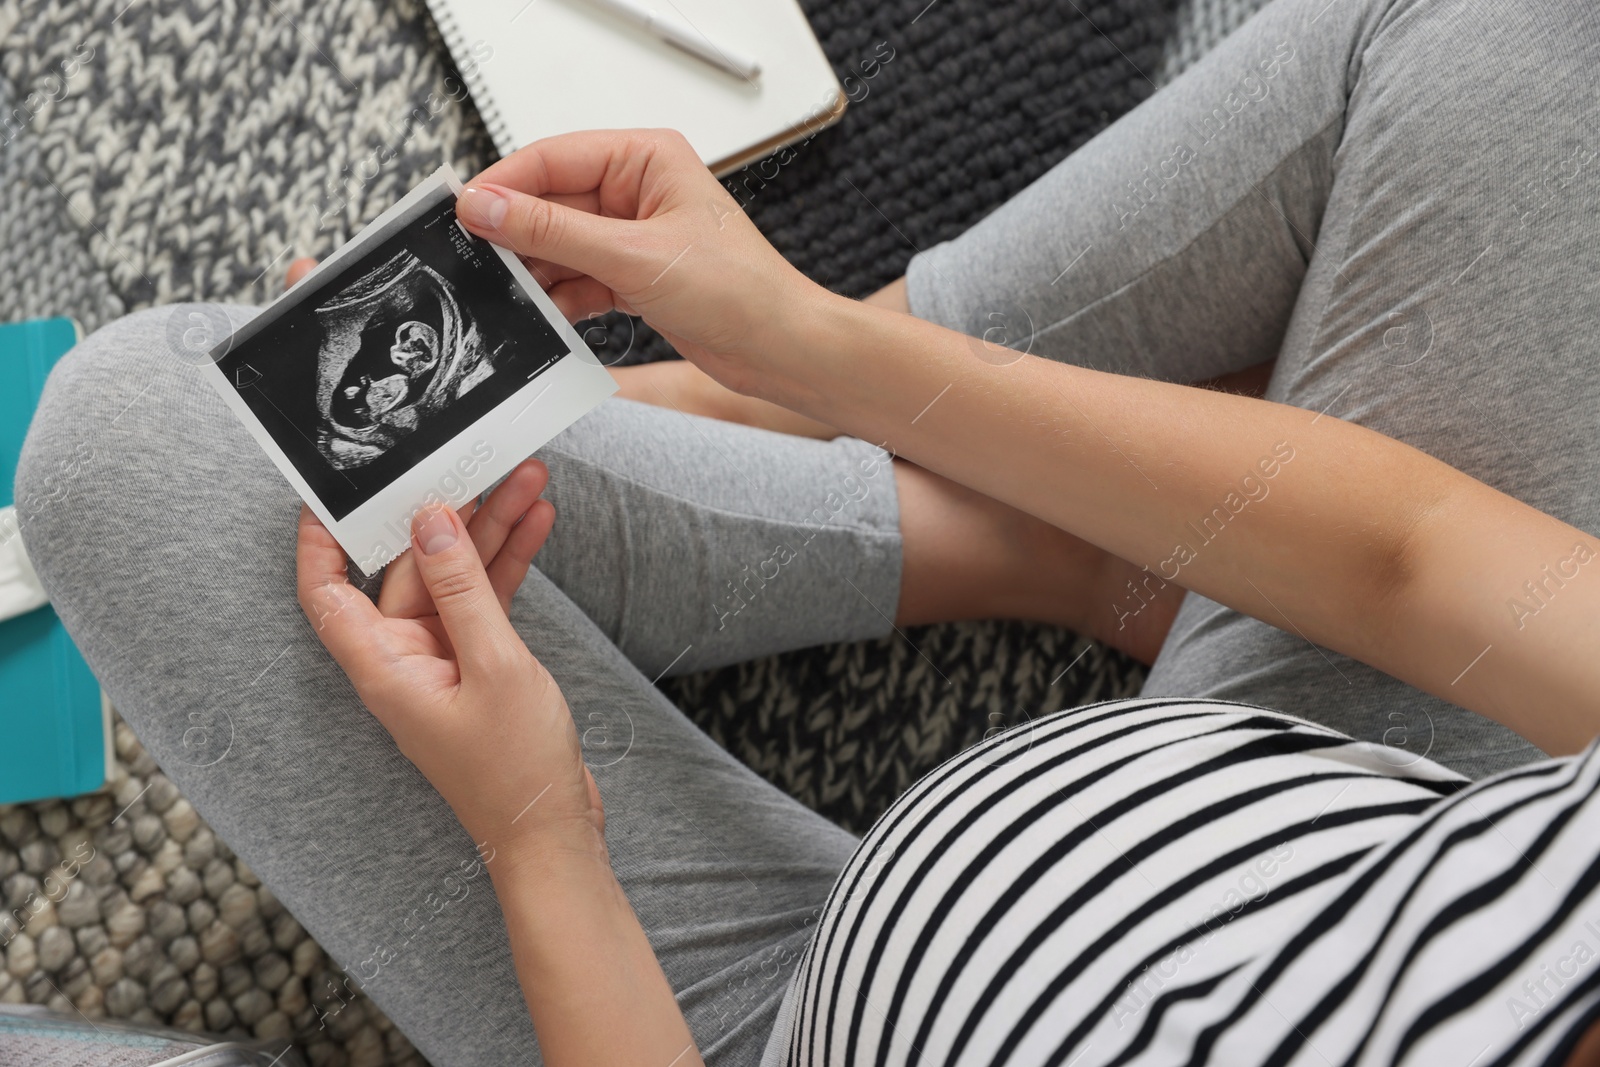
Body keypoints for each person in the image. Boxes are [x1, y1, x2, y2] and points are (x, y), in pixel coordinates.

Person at [17, 0, 1600, 1064]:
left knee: (138, 441)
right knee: (1507, 43)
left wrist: (538, 838)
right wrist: (837, 356)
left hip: (781, 1019)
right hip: (1302, 797)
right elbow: (1413, 559)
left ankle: (967, 514)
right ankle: (910, 465)